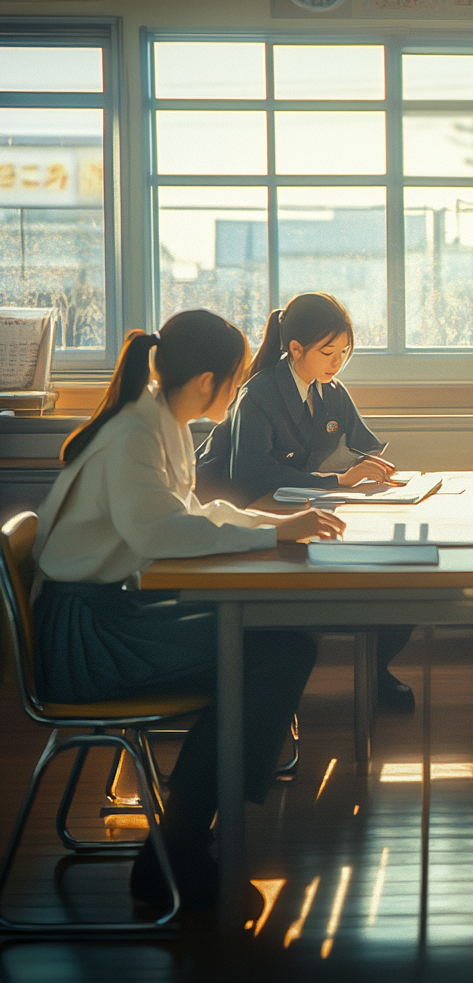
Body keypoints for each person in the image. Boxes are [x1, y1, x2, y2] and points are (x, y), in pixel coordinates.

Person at [32, 310, 345, 910]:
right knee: (274, 654)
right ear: (208, 380)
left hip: (106, 618)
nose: (241, 388)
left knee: (279, 646)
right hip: (83, 639)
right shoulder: (135, 433)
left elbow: (196, 516)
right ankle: (176, 850)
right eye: (238, 377)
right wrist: (272, 536)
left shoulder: (163, 421)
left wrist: (278, 527)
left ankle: (180, 841)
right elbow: (160, 534)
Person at [195, 292, 415, 711]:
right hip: (235, 514)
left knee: (401, 572)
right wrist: (337, 479)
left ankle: (375, 670)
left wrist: (370, 469)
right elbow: (250, 478)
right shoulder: (258, 393)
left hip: (292, 505)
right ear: (295, 349)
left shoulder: (330, 390)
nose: (338, 361)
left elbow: (363, 447)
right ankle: (271, 689)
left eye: (346, 351)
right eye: (328, 351)